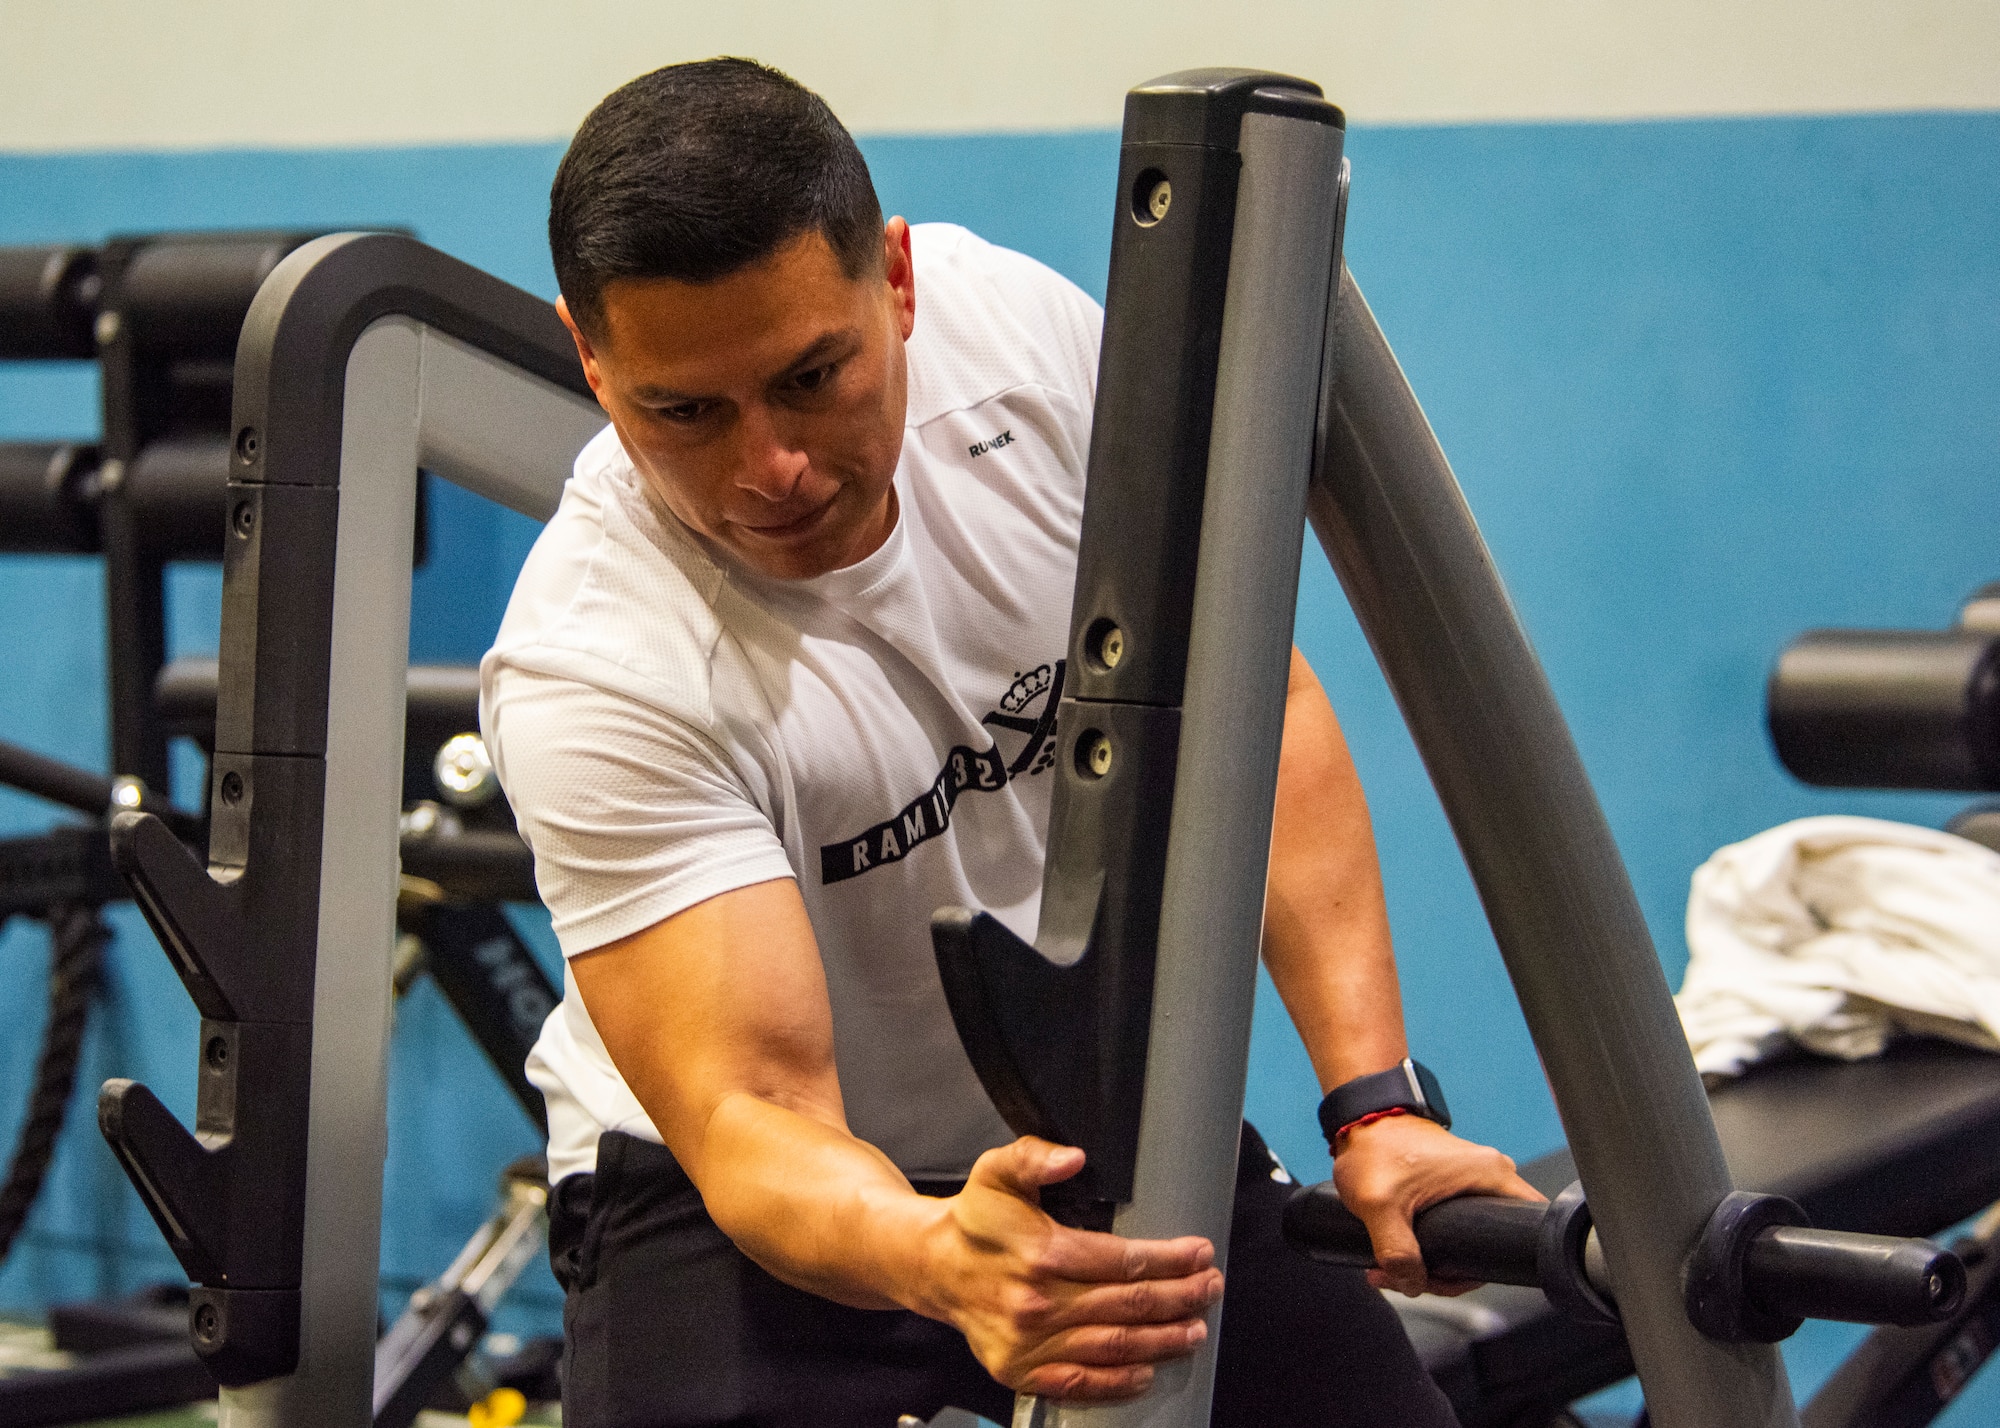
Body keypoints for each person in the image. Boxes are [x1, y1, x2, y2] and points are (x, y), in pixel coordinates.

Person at [482, 57, 1537, 1428]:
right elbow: (752, 1113)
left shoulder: (1024, 350)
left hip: (1087, 1115)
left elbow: (1255, 717)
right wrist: (940, 1261)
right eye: (684, 412)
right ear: (590, 357)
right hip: (737, 1198)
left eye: (813, 376)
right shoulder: (594, 662)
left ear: (900, 283)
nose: (770, 466)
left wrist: (1376, 1108)